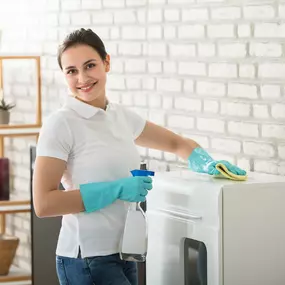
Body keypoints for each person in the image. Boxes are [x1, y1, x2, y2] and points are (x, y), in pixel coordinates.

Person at [33, 28, 246, 285]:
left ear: (106, 62)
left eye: (90, 65)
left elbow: (175, 143)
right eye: (71, 71)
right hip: (86, 258)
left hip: (125, 251)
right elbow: (44, 203)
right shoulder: (61, 123)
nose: (82, 78)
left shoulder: (120, 116)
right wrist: (117, 189)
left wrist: (207, 162)